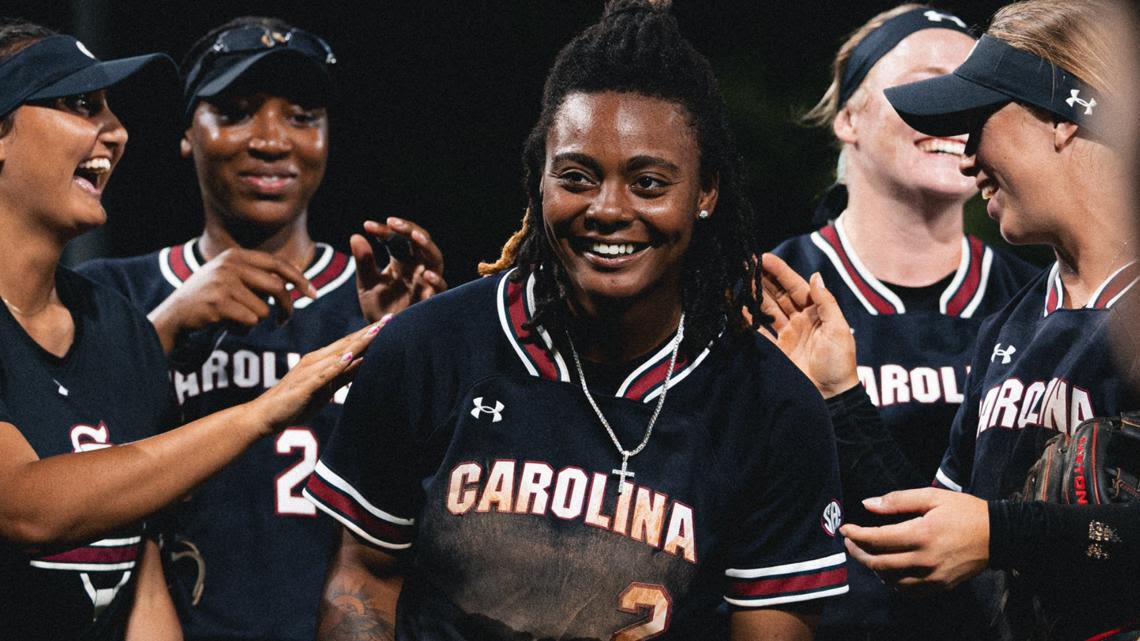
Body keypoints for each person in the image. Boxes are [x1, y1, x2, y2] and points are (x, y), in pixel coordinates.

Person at [302, 1, 848, 639]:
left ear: (706, 192)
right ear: (539, 181)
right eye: (577, 177)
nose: (608, 209)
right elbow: (363, 576)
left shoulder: (770, 405)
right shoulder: (429, 349)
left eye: (648, 183)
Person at [0, 19, 379, 641]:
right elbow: (24, 507)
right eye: (78, 105)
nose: (115, 132)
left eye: (109, 109)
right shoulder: (139, 306)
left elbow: (139, 563)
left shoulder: (110, 321)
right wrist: (262, 409)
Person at [78, 17, 446, 641]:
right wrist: (162, 329)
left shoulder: (387, 298)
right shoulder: (113, 294)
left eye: (302, 116)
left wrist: (409, 353)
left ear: (328, 138)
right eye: (238, 111)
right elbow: (56, 471)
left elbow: (445, 510)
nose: (272, 140)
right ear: (188, 133)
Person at [824, 1, 1140, 638]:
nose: (965, 159)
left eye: (978, 123)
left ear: (1062, 118)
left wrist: (1003, 533)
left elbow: (988, 537)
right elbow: (940, 543)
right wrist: (839, 395)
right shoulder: (1011, 325)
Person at [767, 6, 1038, 637]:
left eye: (971, 92)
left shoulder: (1039, 302)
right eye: (927, 81)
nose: (950, 110)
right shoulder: (770, 291)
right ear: (848, 118)